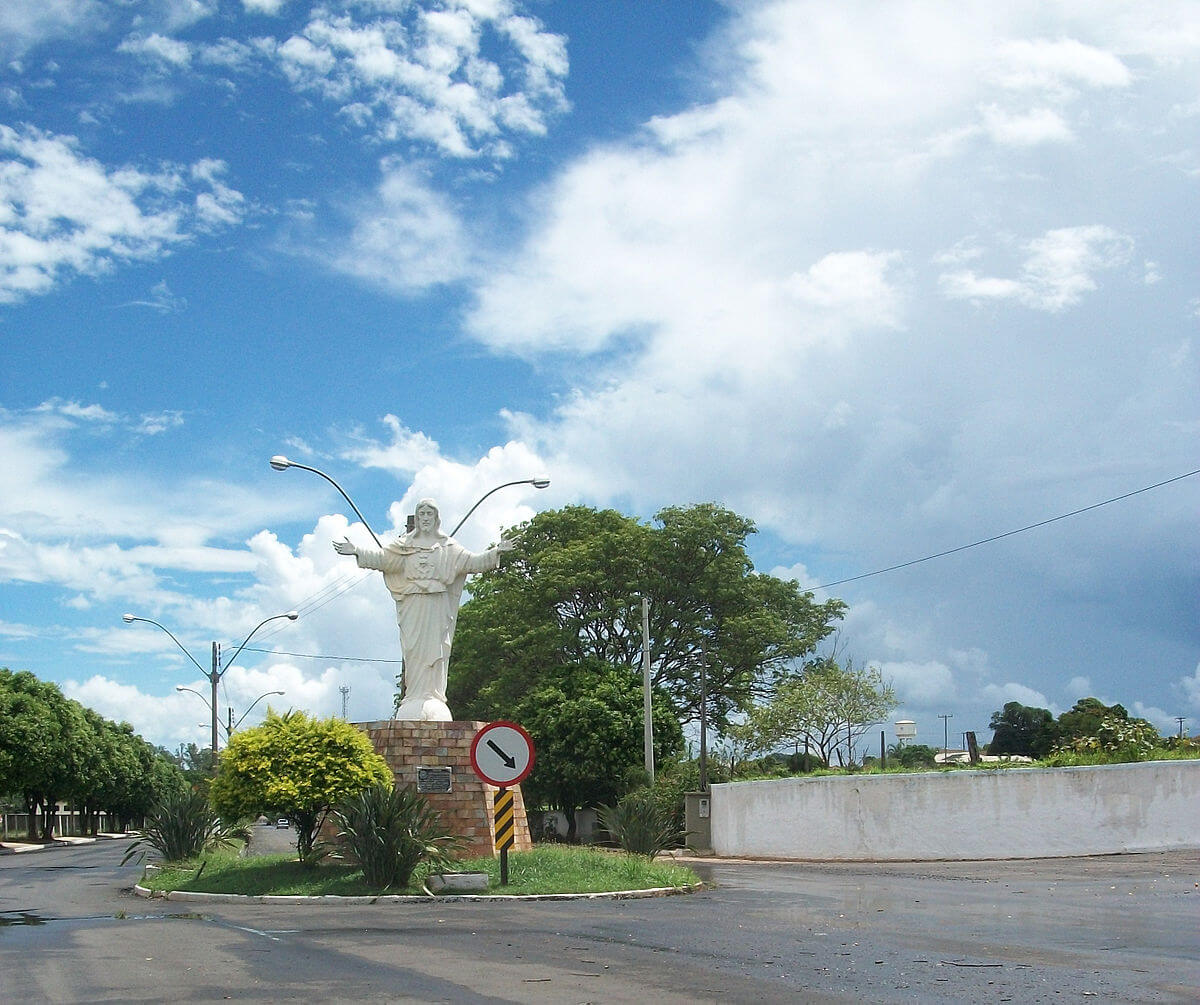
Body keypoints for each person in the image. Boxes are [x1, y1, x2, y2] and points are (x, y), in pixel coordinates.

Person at [333, 499, 515, 721]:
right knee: (413, 651)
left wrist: (496, 551)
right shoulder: (404, 546)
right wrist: (357, 551)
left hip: (437, 604)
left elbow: (472, 562)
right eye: (422, 514)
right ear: (417, 518)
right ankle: (414, 696)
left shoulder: (448, 547)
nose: (426, 518)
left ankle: (433, 697)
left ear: (436, 518)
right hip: (413, 604)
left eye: (429, 514)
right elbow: (383, 559)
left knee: (436, 650)